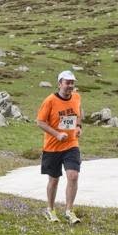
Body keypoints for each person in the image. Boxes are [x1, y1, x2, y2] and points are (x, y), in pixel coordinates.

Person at [36, 70, 83, 224]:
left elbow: (79, 112)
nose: (70, 86)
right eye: (67, 83)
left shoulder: (76, 97)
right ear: (59, 84)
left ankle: (69, 211)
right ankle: (50, 209)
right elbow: (40, 122)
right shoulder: (49, 101)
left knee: (73, 176)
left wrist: (78, 127)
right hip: (52, 147)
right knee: (54, 180)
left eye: (72, 83)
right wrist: (56, 134)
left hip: (71, 144)